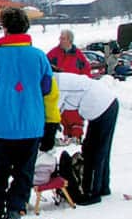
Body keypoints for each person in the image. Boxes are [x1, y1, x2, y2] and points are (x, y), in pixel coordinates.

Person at [0, 7, 60, 219]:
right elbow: (50, 95)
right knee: (24, 176)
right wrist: (51, 124)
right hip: (32, 127)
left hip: (2, 128)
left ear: (4, 27)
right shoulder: (39, 57)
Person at [51, 70, 119, 204]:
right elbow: (63, 111)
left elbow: (54, 112)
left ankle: (92, 193)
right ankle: (102, 187)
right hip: (105, 106)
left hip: (102, 108)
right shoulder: (60, 79)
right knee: (98, 149)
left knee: (94, 152)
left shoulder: (57, 83)